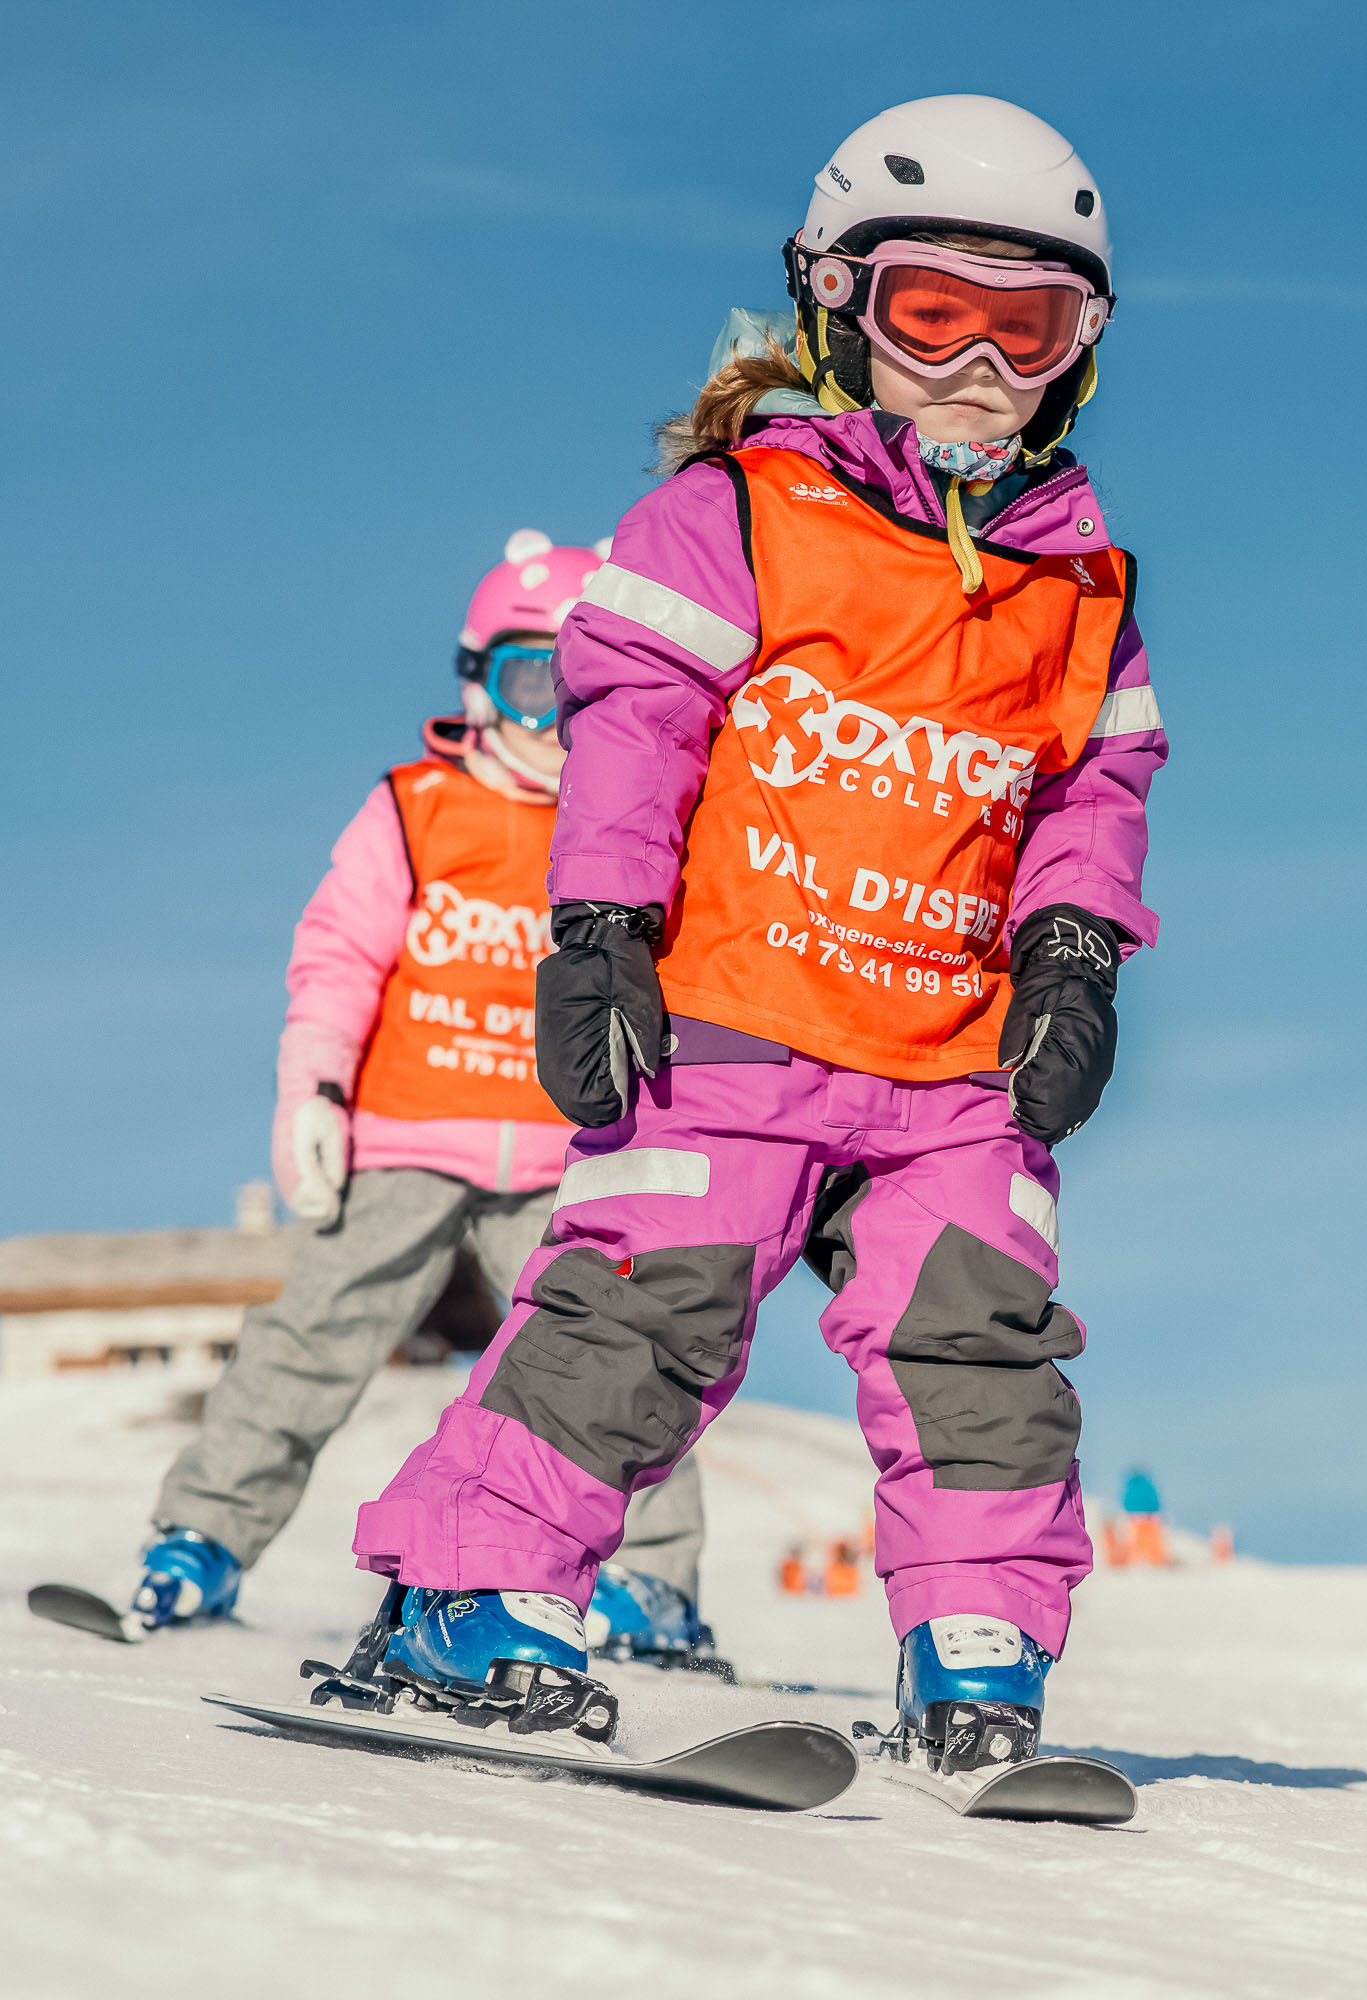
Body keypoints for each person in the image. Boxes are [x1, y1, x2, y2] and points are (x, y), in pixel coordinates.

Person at [346, 95, 1168, 1771]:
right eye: (938, 315)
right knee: (645, 1310)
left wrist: (1074, 961)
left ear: (1080, 351)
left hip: (951, 1061)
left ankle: (975, 1644)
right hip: (732, 1013)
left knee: (984, 1347)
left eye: (1032, 329)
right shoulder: (740, 513)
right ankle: (473, 1590)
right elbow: (637, 727)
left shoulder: (1076, 591)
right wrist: (596, 928)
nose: (980, 369)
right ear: (839, 307)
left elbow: (1092, 795)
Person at [134, 533, 713, 1667]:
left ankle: (650, 1579)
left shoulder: (630, 834)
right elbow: (340, 953)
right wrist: (315, 1087)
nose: (554, 718)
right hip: (407, 1131)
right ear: (477, 683)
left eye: (583, 686)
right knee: (310, 1338)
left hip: (561, 1155)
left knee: (613, 1354)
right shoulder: (417, 809)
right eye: (529, 681)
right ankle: (201, 1536)